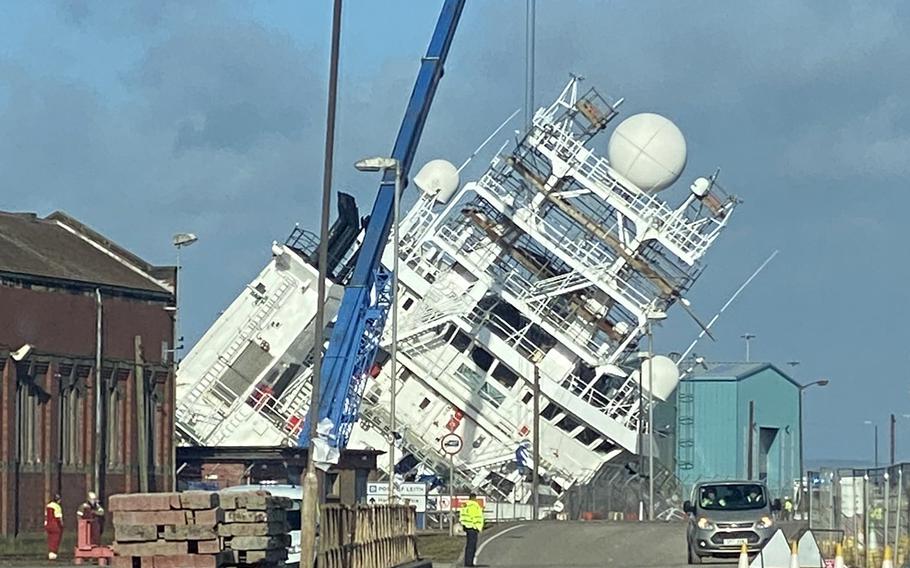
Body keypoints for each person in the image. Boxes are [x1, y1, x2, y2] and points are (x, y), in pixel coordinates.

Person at [459, 492, 485, 567]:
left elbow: (462, 516)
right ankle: (469, 563)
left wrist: (464, 525)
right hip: (473, 527)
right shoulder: (475, 506)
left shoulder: (465, 505)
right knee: (472, 546)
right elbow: (478, 517)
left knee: (468, 545)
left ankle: (467, 562)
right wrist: (479, 527)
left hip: (467, 527)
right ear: (474, 498)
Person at [44, 494, 63, 560]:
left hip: (48, 525)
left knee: (50, 539)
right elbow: (58, 517)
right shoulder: (57, 507)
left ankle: (50, 552)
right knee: (55, 539)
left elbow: (46, 516)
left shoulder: (48, 506)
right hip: (55, 525)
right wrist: (61, 525)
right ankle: (53, 553)